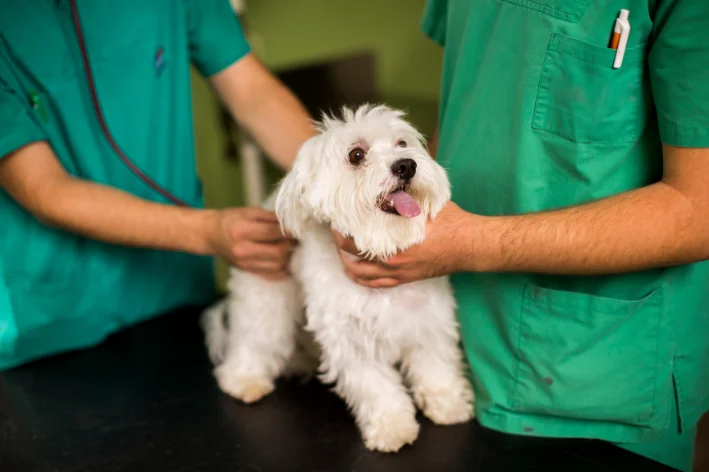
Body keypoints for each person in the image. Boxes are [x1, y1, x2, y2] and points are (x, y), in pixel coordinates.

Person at [333, 0, 709, 470]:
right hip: (449, 334)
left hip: (597, 370)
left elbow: (701, 210)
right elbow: (467, 90)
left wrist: (467, 244)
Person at [0, 1, 314, 370]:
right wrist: (210, 231)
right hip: (52, 315)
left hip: (175, 292)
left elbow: (252, 92)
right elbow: (43, 188)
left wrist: (338, 185)